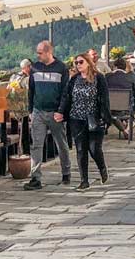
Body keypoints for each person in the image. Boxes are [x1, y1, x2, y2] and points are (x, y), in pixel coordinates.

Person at [55, 53, 112, 190]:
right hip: (76, 119)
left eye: (81, 62)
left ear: (88, 62)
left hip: (93, 118)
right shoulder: (74, 79)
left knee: (94, 149)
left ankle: (102, 168)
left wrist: (106, 118)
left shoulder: (99, 78)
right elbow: (66, 97)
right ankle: (84, 180)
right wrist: (61, 111)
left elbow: (104, 99)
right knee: (81, 150)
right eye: (76, 63)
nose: (78, 65)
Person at [24, 40, 71, 190]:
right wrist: (30, 110)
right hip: (38, 112)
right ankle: (35, 178)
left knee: (61, 144)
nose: (37, 56)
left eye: (40, 53)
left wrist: (61, 111)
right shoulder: (35, 68)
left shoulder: (61, 68)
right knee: (36, 145)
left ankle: (66, 173)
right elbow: (31, 90)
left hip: (55, 112)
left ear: (48, 52)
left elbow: (65, 92)